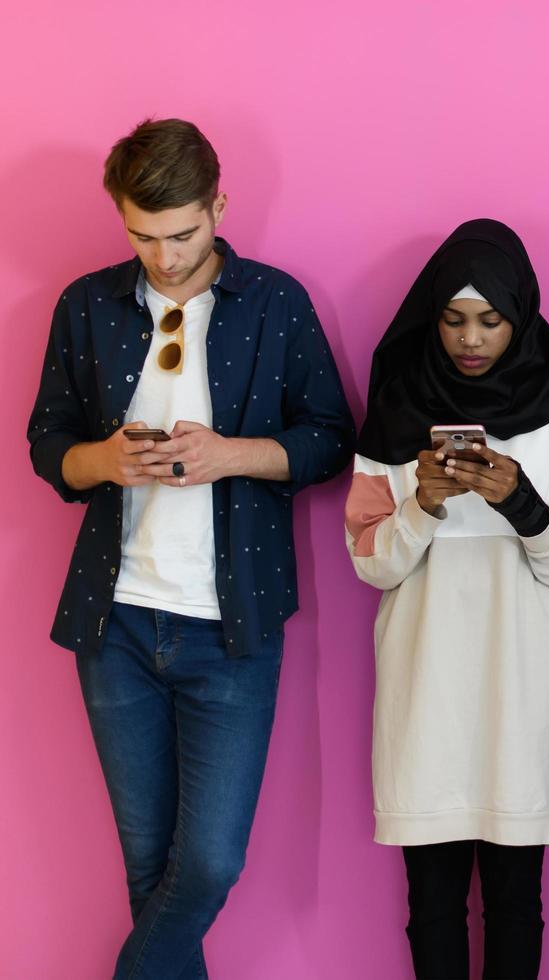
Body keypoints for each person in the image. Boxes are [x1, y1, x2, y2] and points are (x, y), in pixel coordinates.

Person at [25, 117, 354, 978]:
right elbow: (47, 442)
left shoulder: (275, 302)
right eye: (142, 235)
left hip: (230, 629)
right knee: (148, 866)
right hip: (117, 622)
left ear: (219, 207)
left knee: (207, 864)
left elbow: (330, 439)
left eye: (183, 234)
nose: (164, 258)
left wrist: (227, 454)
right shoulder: (88, 304)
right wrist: (106, 460)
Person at [346, 219, 549, 979]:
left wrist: (522, 503)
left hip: (522, 694)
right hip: (424, 697)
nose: (471, 338)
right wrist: (420, 504)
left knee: (517, 902)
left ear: (519, 316)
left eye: (491, 320)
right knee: (431, 905)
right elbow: (371, 562)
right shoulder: (394, 415)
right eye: (454, 320)